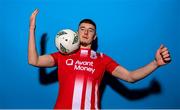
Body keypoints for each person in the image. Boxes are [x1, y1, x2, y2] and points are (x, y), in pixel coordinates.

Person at [28, 9, 171, 109]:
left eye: (90, 30)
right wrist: (32, 29)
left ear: (94, 37)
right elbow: (34, 60)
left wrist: (155, 63)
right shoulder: (63, 55)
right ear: (76, 33)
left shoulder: (102, 59)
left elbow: (130, 76)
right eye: (82, 29)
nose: (85, 32)